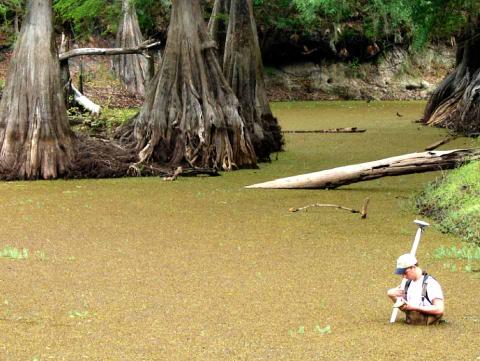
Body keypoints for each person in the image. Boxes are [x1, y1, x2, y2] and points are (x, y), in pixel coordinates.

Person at [387, 253, 445, 325]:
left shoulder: (431, 284)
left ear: (413, 267)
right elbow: (404, 307)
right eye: (402, 273)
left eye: (405, 272)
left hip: (428, 327)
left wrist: (414, 307)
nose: (403, 276)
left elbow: (439, 309)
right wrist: (391, 295)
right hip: (411, 325)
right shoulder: (407, 283)